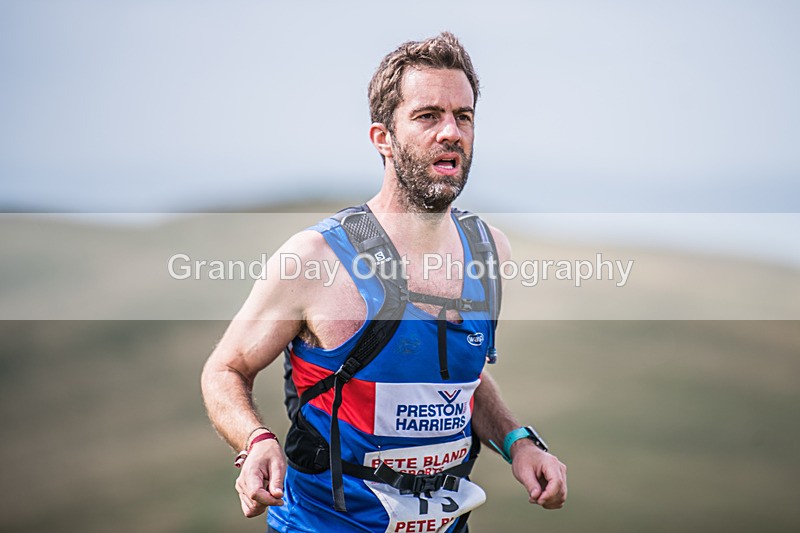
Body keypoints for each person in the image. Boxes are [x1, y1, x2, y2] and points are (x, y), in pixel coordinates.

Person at [201, 32, 567, 533]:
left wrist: (517, 441)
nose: (450, 132)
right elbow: (225, 369)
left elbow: (458, 382)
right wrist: (256, 440)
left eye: (463, 116)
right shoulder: (316, 258)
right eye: (427, 116)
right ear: (382, 138)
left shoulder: (489, 251)